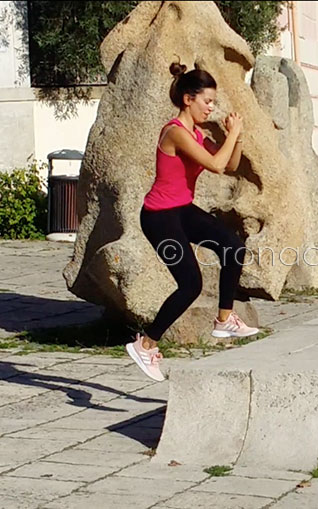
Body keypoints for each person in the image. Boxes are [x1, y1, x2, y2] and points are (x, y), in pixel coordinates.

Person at [126, 62, 259, 382]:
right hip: (158, 217)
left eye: (213, 102)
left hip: (182, 209)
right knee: (191, 285)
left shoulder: (197, 134)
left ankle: (225, 319)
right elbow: (215, 164)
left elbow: (231, 165)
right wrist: (234, 134)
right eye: (207, 101)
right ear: (188, 99)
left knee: (233, 247)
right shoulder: (175, 132)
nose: (211, 107)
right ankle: (145, 344)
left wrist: (234, 138)